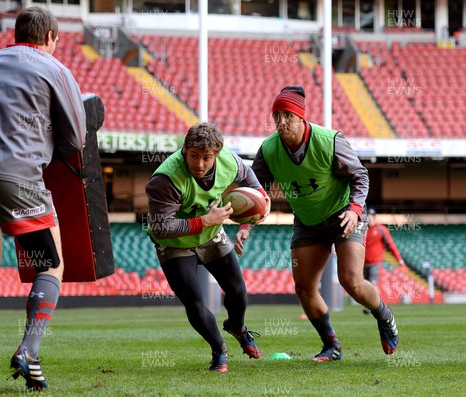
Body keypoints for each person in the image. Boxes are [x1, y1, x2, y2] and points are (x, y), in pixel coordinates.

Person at [0, 7, 86, 391]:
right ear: (50, 38)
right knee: (51, 266)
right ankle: (29, 350)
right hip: (18, 177)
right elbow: (77, 139)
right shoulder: (55, 68)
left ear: (16, 34)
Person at [250, 86, 399, 361]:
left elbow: (361, 176)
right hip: (307, 222)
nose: (281, 122)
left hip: (344, 213)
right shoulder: (269, 149)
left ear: (301, 117)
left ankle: (384, 315)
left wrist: (355, 210)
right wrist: (245, 225)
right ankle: (331, 345)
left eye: (288, 115)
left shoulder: (329, 140)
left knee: (350, 280)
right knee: (304, 288)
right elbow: (255, 190)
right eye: (277, 115)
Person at [145, 122, 269, 373]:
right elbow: (161, 228)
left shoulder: (231, 162)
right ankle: (219, 350)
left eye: (207, 157)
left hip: (212, 235)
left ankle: (237, 327)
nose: (200, 163)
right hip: (174, 244)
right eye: (194, 156)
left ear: (218, 154)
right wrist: (204, 221)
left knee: (238, 292)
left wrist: (246, 225)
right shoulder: (164, 179)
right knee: (194, 300)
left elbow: (256, 190)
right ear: (185, 149)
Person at [363, 208, 406, 313]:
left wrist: (399, 259)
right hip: (363, 263)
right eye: (367, 215)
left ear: (374, 217)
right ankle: (373, 305)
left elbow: (391, 245)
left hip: (375, 263)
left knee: (373, 285)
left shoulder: (381, 229)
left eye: (371, 216)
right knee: (366, 285)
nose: (369, 218)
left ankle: (374, 307)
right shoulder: (363, 229)